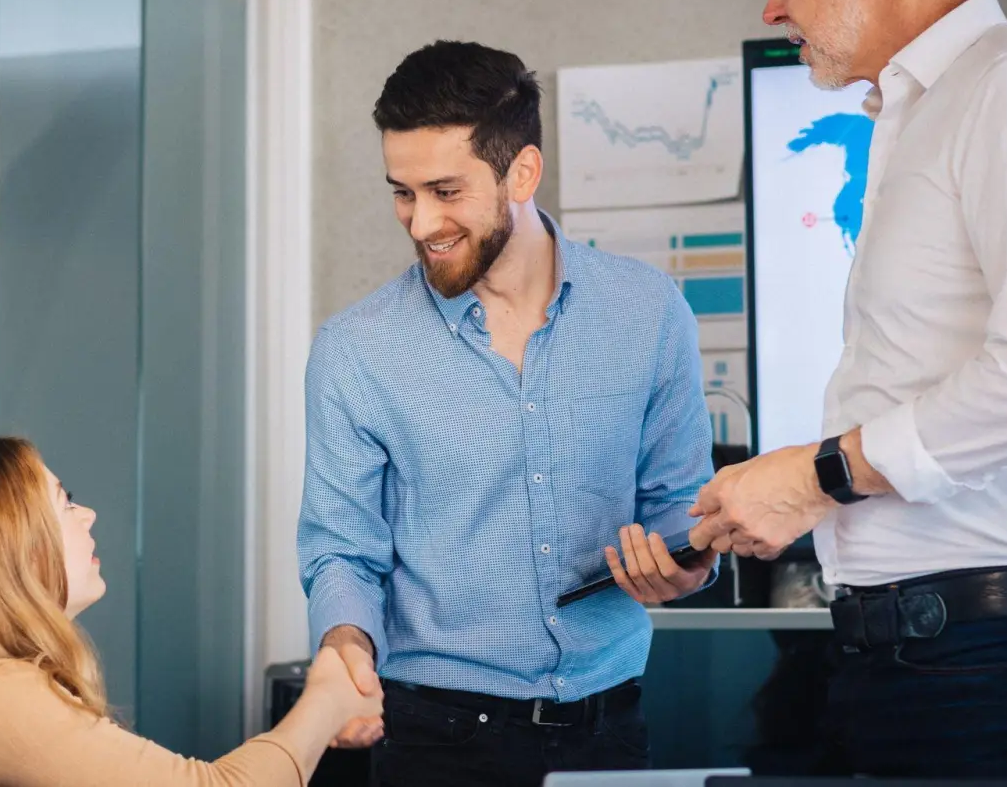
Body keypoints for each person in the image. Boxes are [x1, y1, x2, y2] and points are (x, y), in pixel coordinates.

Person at [690, 0, 1007, 782]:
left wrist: (817, 476)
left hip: (995, 660)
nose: (771, 5)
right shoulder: (924, 112)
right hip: (924, 657)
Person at [297, 40, 719, 787]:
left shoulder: (649, 313)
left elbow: (679, 510)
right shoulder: (355, 351)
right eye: (402, 191)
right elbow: (341, 551)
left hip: (609, 728)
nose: (421, 222)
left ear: (522, 171)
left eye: (446, 191)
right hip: (436, 740)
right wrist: (346, 649)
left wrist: (686, 566)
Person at [0, 436, 380, 787]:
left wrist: (316, 728)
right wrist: (326, 694)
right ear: (7, 549)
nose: (87, 514)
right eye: (63, 501)